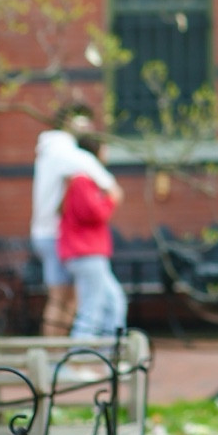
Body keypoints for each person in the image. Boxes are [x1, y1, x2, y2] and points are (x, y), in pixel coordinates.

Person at [31, 108, 117, 336]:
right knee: (63, 301)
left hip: (45, 232)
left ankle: (59, 359)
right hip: (55, 235)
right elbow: (106, 183)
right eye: (82, 123)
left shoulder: (48, 150)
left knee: (63, 300)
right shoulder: (66, 151)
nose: (86, 128)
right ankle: (60, 359)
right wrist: (111, 192)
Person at [57, 133, 127, 338]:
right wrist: (112, 199)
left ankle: (108, 352)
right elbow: (92, 213)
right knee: (92, 307)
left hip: (89, 252)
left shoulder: (86, 179)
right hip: (85, 252)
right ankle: (81, 356)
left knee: (113, 301)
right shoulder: (81, 180)